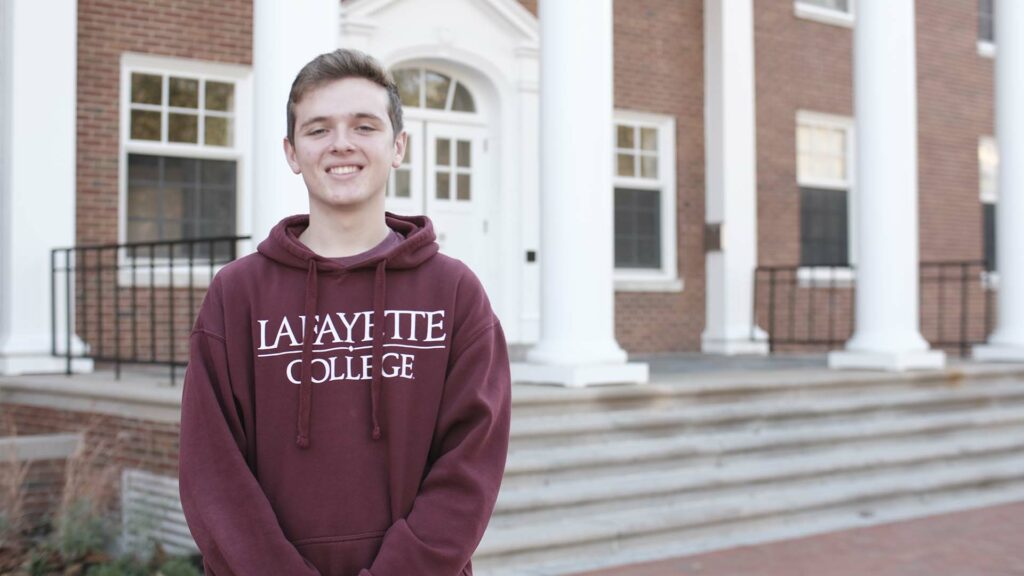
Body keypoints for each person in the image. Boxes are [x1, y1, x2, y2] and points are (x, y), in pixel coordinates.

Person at [178, 48, 511, 576]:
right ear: (292, 152)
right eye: (318, 129)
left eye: (364, 126)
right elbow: (210, 469)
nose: (341, 144)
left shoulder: (454, 293)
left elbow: (470, 465)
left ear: (397, 146)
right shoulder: (237, 294)